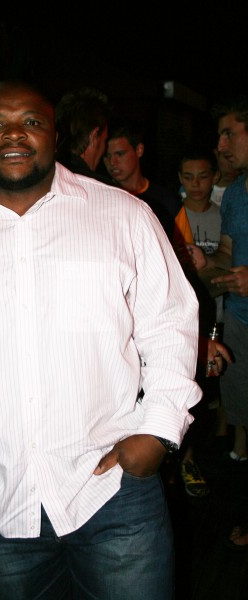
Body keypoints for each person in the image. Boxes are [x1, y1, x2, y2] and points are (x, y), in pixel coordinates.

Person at [0, 79, 204, 600]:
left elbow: (169, 325)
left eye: (31, 122)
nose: (14, 134)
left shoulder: (122, 215)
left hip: (113, 490)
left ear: (54, 136)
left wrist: (159, 430)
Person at [187, 91, 248, 549]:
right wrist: (204, 264)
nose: (221, 145)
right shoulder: (236, 195)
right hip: (241, 323)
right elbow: (228, 253)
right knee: (241, 413)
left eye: (229, 133)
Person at [177, 146, 223, 497]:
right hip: (183, 320)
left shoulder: (223, 216)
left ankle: (198, 453)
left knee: (210, 388)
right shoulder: (171, 213)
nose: (196, 184)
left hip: (217, 313)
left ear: (214, 178)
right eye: (188, 177)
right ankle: (181, 458)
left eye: (203, 176)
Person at [102, 119, 185, 242]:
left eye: (120, 154)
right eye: (107, 156)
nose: (112, 162)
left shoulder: (168, 202)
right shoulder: (102, 199)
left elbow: (185, 249)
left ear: (139, 150)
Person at [54, 86, 115, 184]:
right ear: (94, 136)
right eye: (105, 140)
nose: (104, 149)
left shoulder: (42, 181)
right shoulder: (103, 189)